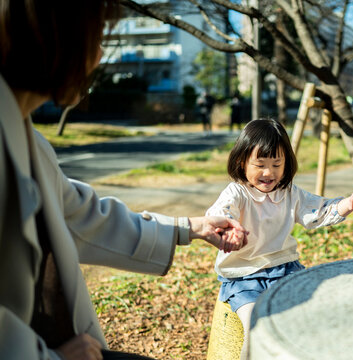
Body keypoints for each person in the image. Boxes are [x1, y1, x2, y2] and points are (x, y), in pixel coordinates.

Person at [0, 1, 248, 359]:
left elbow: (83, 218)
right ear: (54, 37)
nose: (99, 56)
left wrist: (192, 227)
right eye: (96, 37)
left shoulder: (27, 137)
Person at [205, 119, 353, 359]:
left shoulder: (289, 193)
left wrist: (349, 203)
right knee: (257, 326)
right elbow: (218, 214)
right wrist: (227, 230)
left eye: (277, 164)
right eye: (260, 164)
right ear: (241, 162)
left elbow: (319, 211)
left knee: (311, 314)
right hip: (244, 277)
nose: (269, 173)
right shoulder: (237, 192)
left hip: (285, 270)